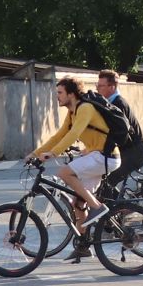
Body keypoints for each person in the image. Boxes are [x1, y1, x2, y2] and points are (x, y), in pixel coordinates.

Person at [28, 76, 112, 253]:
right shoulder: (72, 112)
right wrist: (35, 153)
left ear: (71, 94)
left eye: (60, 93)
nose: (57, 96)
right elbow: (59, 136)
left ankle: (98, 208)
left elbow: (74, 134)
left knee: (64, 173)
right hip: (97, 156)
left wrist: (52, 153)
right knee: (78, 204)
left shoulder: (85, 108)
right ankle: (83, 246)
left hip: (106, 156)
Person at [91, 70, 143, 200]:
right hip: (130, 150)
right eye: (97, 85)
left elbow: (119, 132)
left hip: (134, 152)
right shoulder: (110, 104)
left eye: (101, 85)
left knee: (106, 183)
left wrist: (104, 148)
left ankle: (118, 211)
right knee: (105, 182)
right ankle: (118, 209)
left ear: (112, 87)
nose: (97, 88)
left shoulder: (118, 104)